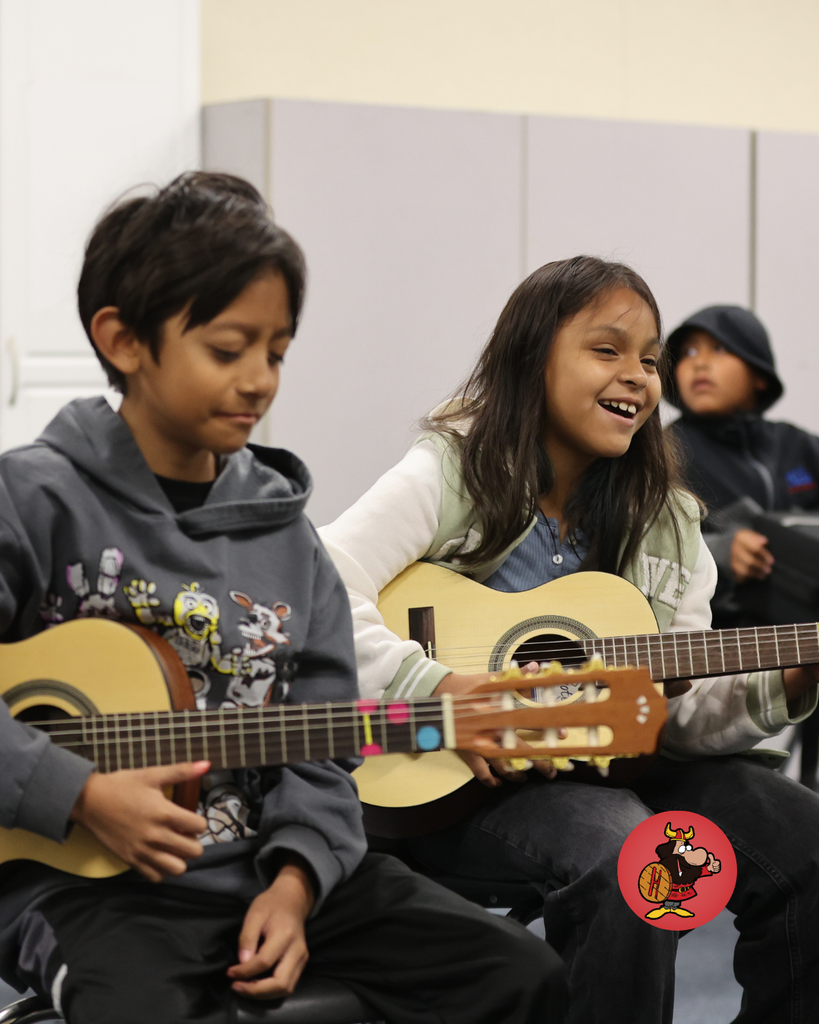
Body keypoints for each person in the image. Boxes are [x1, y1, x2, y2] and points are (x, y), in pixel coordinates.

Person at [0, 173, 567, 1024]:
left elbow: (321, 747)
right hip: (71, 879)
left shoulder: (288, 540)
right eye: (227, 350)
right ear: (122, 340)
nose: (259, 379)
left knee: (522, 977)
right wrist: (76, 792)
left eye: (277, 351)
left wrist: (297, 881)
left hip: (263, 869)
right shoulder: (35, 500)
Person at [319, 256, 819, 1024]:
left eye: (649, 360)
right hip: (454, 779)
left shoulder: (668, 518)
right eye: (608, 349)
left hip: (624, 763)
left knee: (804, 839)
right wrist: (439, 688)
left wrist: (786, 682)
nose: (640, 376)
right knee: (640, 860)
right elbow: (323, 585)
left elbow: (677, 716)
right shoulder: (453, 469)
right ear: (532, 356)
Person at [666, 304, 819, 627]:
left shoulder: (799, 445)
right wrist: (719, 552)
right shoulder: (663, 452)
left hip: (807, 639)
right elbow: (641, 543)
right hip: (721, 650)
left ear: (760, 375)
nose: (700, 363)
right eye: (689, 352)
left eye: (719, 349)